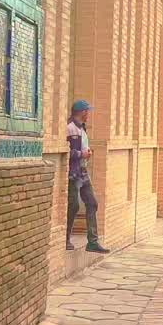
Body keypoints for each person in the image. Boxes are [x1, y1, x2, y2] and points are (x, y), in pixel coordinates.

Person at [66, 100, 108, 253]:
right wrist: (80, 154)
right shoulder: (70, 129)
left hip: (83, 172)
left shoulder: (82, 129)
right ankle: (65, 239)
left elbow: (81, 149)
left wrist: (86, 153)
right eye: (87, 111)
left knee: (92, 203)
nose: (89, 114)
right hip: (74, 173)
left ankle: (92, 242)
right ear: (82, 112)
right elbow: (66, 151)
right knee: (73, 206)